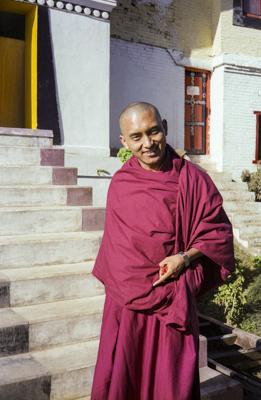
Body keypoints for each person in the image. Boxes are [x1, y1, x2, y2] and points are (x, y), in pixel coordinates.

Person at [90, 102, 235, 400]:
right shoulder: (121, 183)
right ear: (124, 142)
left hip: (171, 301)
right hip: (126, 303)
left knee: (170, 382)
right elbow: (116, 246)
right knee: (125, 374)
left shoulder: (192, 180)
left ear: (165, 127)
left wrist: (185, 258)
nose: (147, 143)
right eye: (137, 137)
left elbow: (218, 232)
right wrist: (124, 284)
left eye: (153, 131)